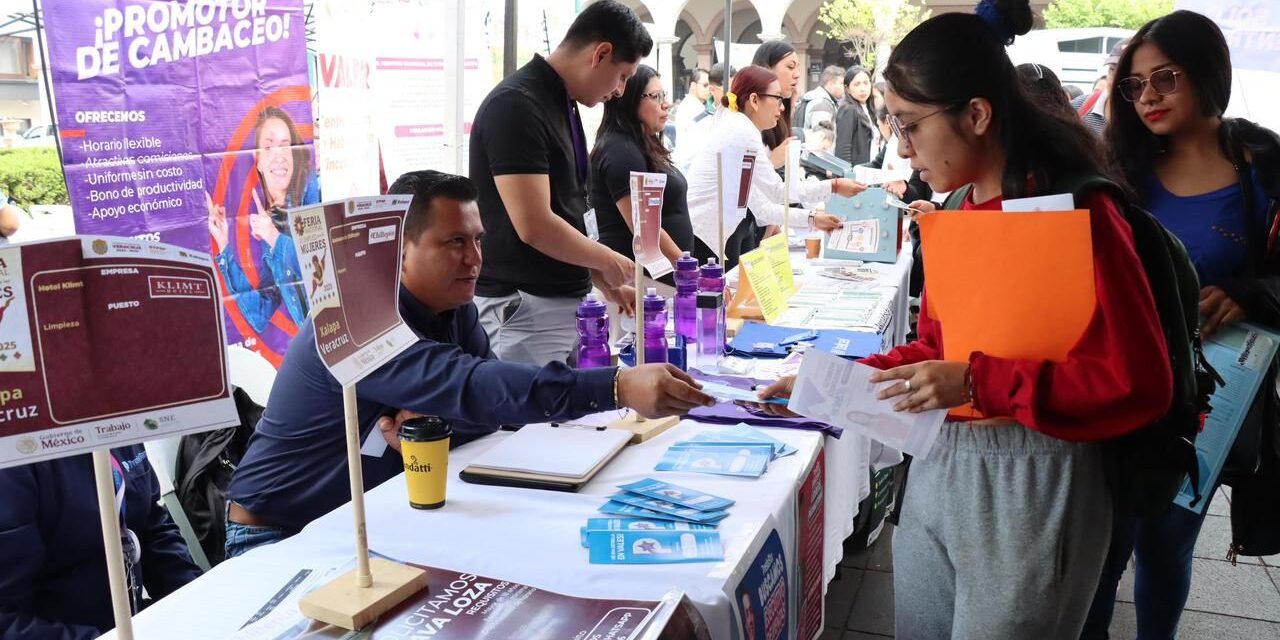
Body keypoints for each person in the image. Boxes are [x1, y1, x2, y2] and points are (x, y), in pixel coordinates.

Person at [757, 0, 1173, 636]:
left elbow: (1137, 380)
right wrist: (832, 380)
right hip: (939, 470)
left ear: (976, 114)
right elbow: (936, 350)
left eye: (911, 126)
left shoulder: (1078, 214)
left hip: (1037, 485)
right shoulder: (956, 209)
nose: (902, 147)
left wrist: (978, 382)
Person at [224, 171, 714, 558]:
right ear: (399, 248)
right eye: (454, 242)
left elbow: (487, 409)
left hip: (374, 516)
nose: (473, 259)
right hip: (281, 537)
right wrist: (616, 386)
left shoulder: (454, 307)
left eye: (478, 240)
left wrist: (444, 423)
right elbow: (474, 385)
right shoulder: (361, 323)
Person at [1081, 12, 1280, 639]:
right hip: (1120, 384)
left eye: (1164, 79)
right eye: (1134, 86)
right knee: (1104, 549)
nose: (1147, 98)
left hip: (1210, 395)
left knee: (1166, 542)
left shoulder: (1263, 165)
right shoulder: (1119, 166)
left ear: (1207, 74)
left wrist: (1251, 295)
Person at [469, 0, 651, 366]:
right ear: (601, 53)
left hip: (561, 307)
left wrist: (602, 278)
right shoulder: (517, 105)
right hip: (523, 310)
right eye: (624, 76)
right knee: (524, 422)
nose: (619, 91)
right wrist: (608, 259)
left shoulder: (561, 103)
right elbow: (534, 224)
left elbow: (569, 211)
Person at [0, 445, 203, 639]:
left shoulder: (116, 423)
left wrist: (199, 599)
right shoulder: (13, 462)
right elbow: (6, 619)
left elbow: (153, 525)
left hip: (136, 623)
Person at [684, 65, 860, 269]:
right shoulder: (742, 131)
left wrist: (813, 218)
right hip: (706, 236)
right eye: (777, 98)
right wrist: (834, 186)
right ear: (754, 100)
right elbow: (778, 192)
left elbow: (761, 206)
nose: (782, 107)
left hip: (712, 234)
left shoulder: (739, 127)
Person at [208, 106, 318, 335]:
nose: (279, 155)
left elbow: (320, 265)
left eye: (286, 145)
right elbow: (259, 313)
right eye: (268, 146)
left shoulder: (314, 193)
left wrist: (274, 238)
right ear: (257, 160)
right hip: (314, 347)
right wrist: (224, 247)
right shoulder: (273, 219)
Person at [590, 65, 694, 286]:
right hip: (638, 285)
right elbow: (643, 226)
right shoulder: (621, 151)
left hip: (658, 280)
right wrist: (689, 270)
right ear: (629, 100)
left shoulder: (643, 144)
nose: (665, 103)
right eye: (655, 96)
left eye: (663, 95)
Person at [752, 41, 802, 169]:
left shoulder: (781, 112)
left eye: (797, 68)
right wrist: (772, 162)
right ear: (767, 69)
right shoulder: (746, 121)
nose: (797, 75)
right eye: (790, 67)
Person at [1071, 40, 1129, 137]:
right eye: (1112, 69)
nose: (1116, 80)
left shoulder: (1146, 117)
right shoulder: (1079, 106)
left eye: (1126, 72)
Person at [834, 66, 879, 166]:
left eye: (866, 83)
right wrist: (848, 175)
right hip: (856, 174)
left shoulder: (869, 109)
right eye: (857, 84)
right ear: (847, 89)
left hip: (870, 171)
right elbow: (843, 147)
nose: (863, 89)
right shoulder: (848, 109)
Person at [796, 65, 845, 131]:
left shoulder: (819, 99)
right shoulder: (822, 105)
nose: (845, 87)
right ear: (830, 84)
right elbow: (822, 135)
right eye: (841, 83)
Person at [674, 67, 710, 145]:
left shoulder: (691, 105)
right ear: (693, 85)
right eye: (705, 85)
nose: (709, 89)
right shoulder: (692, 108)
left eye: (710, 86)